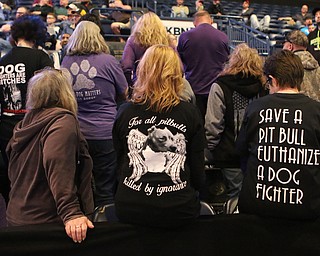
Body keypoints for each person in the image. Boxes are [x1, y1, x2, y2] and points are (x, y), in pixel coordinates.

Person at [113, 44, 205, 227]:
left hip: (131, 207)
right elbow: (198, 171)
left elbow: (119, 161)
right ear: (176, 74)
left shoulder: (125, 112)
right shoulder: (190, 113)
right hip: (179, 208)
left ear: (143, 71)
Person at [6, 67, 94, 243]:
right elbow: (57, 163)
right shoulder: (63, 122)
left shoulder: (26, 123)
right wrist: (71, 212)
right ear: (65, 93)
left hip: (18, 216)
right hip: (47, 223)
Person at [237, 50, 320, 220]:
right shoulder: (316, 112)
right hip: (307, 209)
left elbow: (241, 152)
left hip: (258, 207)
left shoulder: (255, 109)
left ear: (272, 79)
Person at [61, 21, 128, 208]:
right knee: (106, 187)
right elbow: (125, 92)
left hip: (77, 132)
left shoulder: (66, 62)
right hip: (105, 132)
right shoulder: (108, 61)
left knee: (80, 184)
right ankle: (104, 223)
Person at [0, 15, 54, 204]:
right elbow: (52, 89)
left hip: (6, 126)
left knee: (12, 173)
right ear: (36, 36)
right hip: (33, 124)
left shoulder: (2, 61)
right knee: (35, 172)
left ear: (14, 37)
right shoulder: (40, 57)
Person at [205, 43, 264, 199]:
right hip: (256, 153)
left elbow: (213, 124)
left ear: (232, 62)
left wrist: (210, 148)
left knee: (234, 197)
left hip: (228, 153)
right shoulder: (264, 86)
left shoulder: (220, 86)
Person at [177, 10, 229, 119]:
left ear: (194, 23)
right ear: (211, 21)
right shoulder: (223, 37)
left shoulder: (184, 37)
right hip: (216, 91)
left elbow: (179, 65)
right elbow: (226, 62)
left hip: (193, 90)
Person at [121, 12, 169, 89]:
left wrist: (130, 85)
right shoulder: (167, 40)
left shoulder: (133, 40)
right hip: (164, 84)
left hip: (141, 85)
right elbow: (178, 66)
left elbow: (126, 65)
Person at [282, 30, 320, 101]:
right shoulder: (317, 66)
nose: (283, 47)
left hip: (296, 109)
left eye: (284, 44)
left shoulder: (286, 67)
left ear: (290, 46)